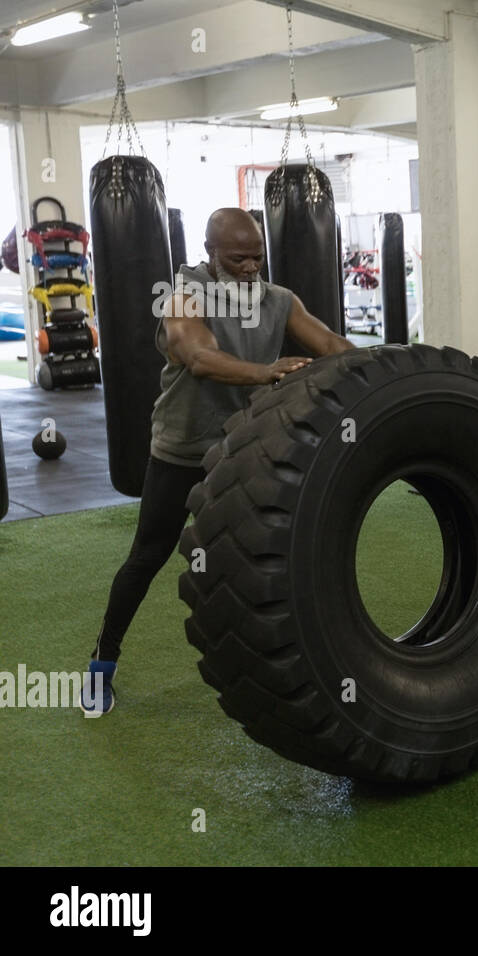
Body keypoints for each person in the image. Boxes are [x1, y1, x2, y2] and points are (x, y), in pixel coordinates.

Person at [81, 207, 353, 715]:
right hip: (183, 450)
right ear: (210, 254)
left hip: (245, 452)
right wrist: (267, 372)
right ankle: (101, 665)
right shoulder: (183, 295)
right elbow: (200, 357)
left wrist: (389, 370)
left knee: (269, 558)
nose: (251, 267)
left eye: (257, 257)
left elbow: (334, 346)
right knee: (147, 558)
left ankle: (280, 668)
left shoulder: (278, 300)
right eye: (238, 258)